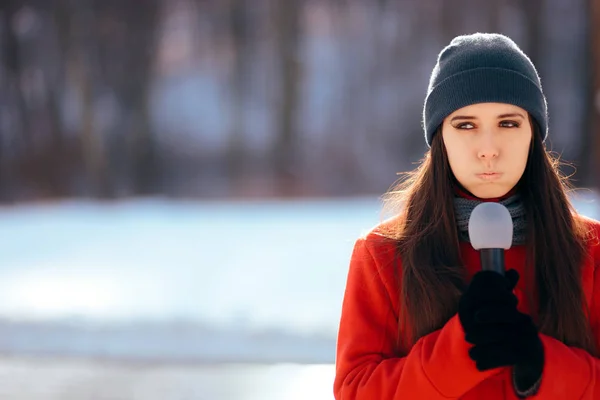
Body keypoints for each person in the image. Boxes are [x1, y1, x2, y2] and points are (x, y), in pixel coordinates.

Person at [333, 32, 600, 399]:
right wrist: (458, 351)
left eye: (508, 123)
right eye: (465, 125)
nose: (488, 149)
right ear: (439, 136)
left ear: (533, 133)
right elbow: (356, 391)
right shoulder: (383, 255)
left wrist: (544, 364)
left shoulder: (592, 251)